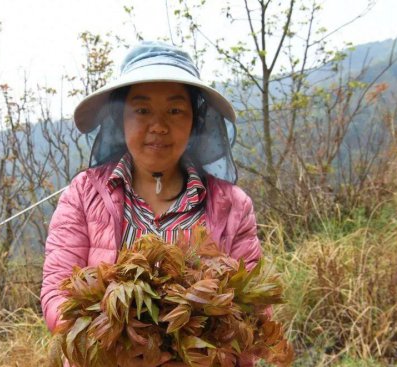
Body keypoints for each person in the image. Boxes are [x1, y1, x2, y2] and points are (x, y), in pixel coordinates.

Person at [41, 41, 262, 366]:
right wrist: (115, 344)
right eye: (142, 110)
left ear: (195, 121)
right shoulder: (84, 195)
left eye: (175, 110)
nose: (158, 126)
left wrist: (201, 350)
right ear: (121, 119)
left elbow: (253, 311)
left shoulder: (232, 206)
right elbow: (57, 294)